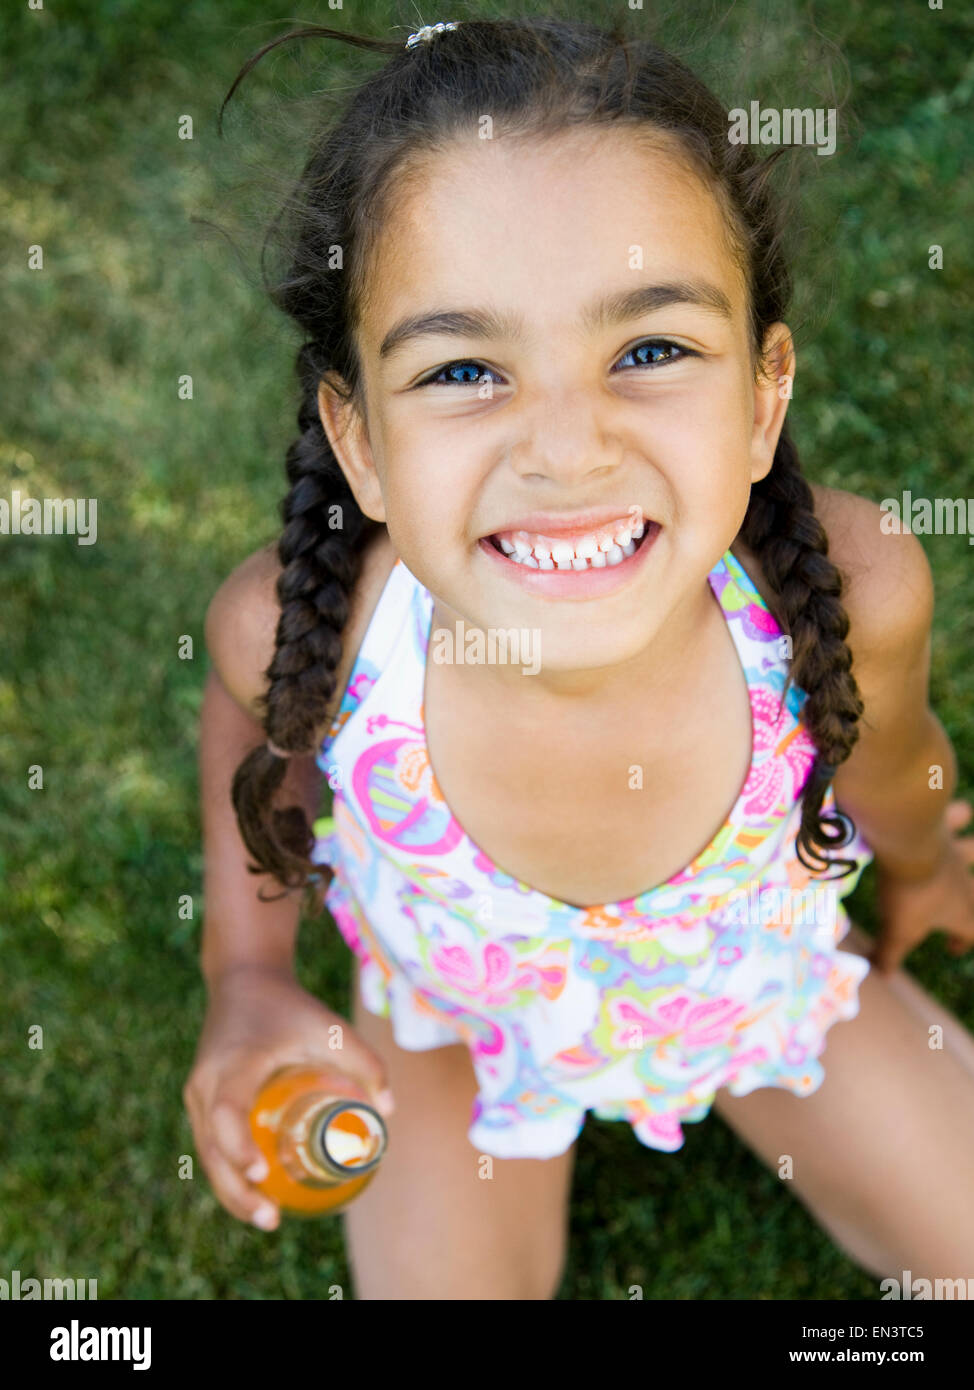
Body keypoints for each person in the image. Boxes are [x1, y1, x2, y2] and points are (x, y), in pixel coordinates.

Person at [183, 16, 974, 1300]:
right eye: (462, 368)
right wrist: (248, 974)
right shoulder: (308, 635)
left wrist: (925, 870)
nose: (565, 449)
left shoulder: (849, 592)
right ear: (362, 443)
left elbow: (896, 770)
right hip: (453, 1029)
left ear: (763, 393)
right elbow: (252, 723)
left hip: (752, 997)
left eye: (648, 349)